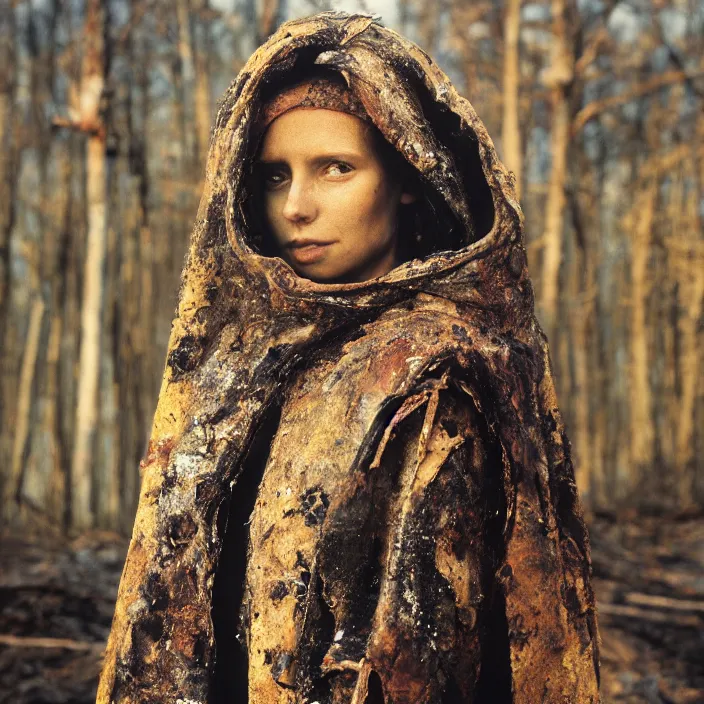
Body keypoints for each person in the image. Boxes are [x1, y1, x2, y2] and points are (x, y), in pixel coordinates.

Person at [97, 12, 600, 704]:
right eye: (275, 176)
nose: (297, 206)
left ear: (403, 177)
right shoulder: (241, 363)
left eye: (336, 169)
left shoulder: (440, 372)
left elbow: (427, 662)